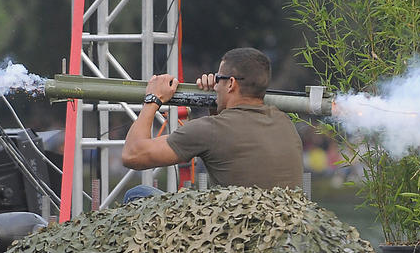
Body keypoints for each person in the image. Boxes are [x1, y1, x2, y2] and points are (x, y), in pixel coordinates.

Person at [120, 47, 303, 201]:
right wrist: (214, 103)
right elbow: (231, 139)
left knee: (138, 194)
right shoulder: (284, 123)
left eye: (218, 79)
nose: (215, 86)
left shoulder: (211, 131)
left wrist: (153, 98)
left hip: (231, 235)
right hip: (275, 231)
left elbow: (133, 154)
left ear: (230, 83)